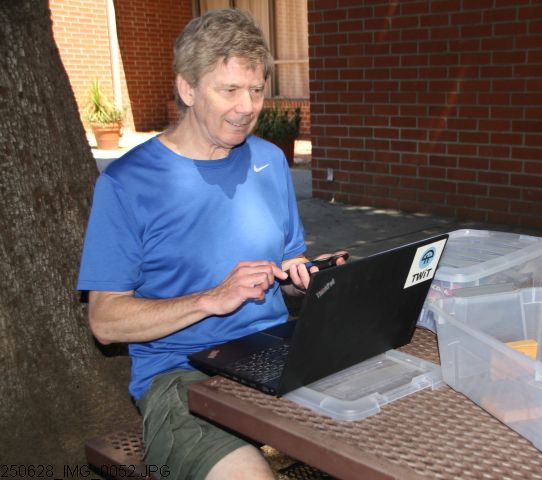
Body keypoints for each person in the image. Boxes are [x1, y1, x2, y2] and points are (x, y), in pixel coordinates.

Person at [77, 9, 344, 480]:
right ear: (188, 88)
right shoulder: (127, 183)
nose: (248, 106)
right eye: (230, 90)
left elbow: (287, 264)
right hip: (182, 376)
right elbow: (104, 321)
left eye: (257, 90)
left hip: (276, 353)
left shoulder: (269, 161)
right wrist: (211, 299)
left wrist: (305, 278)